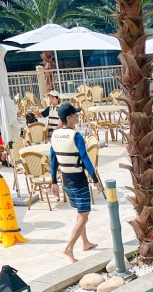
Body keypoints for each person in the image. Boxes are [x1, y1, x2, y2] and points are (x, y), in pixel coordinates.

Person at [50, 102, 104, 263]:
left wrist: (54, 182)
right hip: (79, 181)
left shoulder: (55, 135)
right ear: (69, 117)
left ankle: (85, 243)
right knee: (84, 217)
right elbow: (85, 159)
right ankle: (69, 248)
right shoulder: (76, 136)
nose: (78, 116)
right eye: (75, 114)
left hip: (66, 181)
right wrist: (96, 180)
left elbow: (53, 160)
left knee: (80, 214)